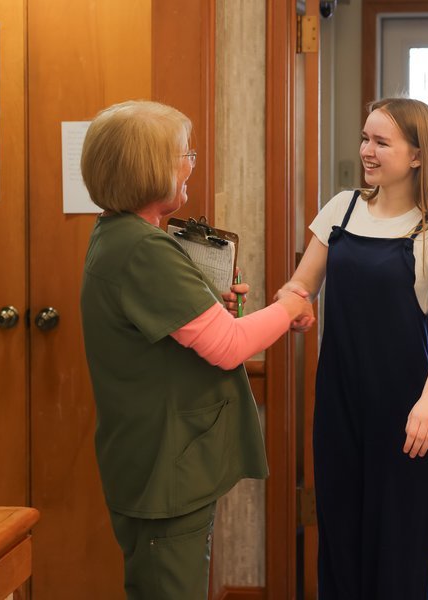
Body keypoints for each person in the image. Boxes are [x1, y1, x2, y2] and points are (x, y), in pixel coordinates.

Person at [79, 99, 312, 600]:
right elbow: (229, 349)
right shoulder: (145, 250)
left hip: (149, 460)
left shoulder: (120, 236)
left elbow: (187, 336)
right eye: (183, 154)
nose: (190, 165)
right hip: (165, 468)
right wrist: (292, 302)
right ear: (148, 169)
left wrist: (211, 308)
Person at [281, 97, 428, 599]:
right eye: (365, 138)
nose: (367, 150)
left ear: (416, 155)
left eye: (381, 142)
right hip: (339, 407)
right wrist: (290, 305)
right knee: (341, 543)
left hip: (407, 415)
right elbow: (300, 285)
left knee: (399, 551)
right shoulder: (340, 209)